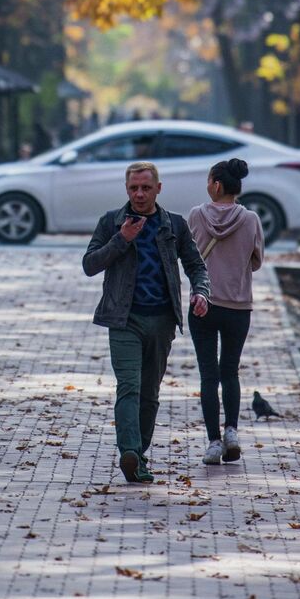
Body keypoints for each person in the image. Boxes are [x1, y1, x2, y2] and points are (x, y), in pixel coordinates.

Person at [82, 161, 210, 483]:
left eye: (145, 188)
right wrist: (121, 239)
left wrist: (201, 293)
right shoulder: (111, 222)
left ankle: (138, 457)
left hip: (162, 321)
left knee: (150, 393)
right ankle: (129, 449)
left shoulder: (174, 226)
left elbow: (196, 265)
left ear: (158, 189)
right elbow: (89, 265)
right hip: (123, 318)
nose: (139, 194)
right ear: (126, 189)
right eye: (133, 188)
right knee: (129, 386)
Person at [186, 159, 264, 465]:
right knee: (230, 371)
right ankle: (232, 430)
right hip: (238, 306)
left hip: (203, 305)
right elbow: (256, 261)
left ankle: (213, 442)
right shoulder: (251, 220)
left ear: (217, 185)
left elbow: (189, 256)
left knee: (209, 375)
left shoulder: (195, 216)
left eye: (209, 180)